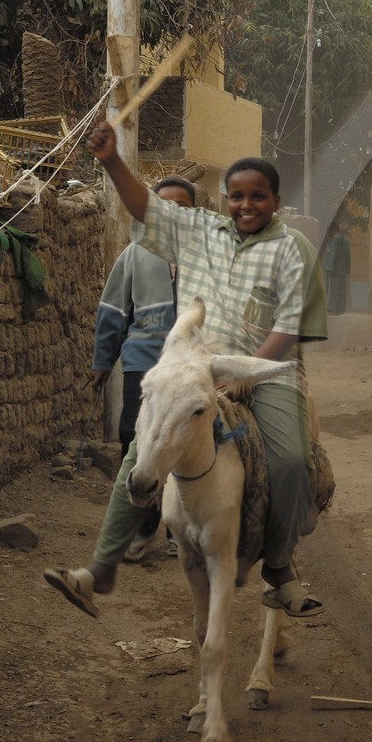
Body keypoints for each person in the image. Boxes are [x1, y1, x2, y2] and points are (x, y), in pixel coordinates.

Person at [44, 122, 328, 619]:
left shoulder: (294, 249)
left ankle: (279, 568)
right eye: (237, 196)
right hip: (194, 368)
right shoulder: (198, 231)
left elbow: (289, 326)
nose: (246, 206)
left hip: (268, 371)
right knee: (143, 450)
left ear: (276, 201)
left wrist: (243, 375)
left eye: (258, 196)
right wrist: (111, 161)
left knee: (289, 461)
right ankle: (101, 569)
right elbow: (145, 208)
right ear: (225, 199)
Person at [90, 175, 199, 560]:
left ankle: (179, 526)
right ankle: (141, 525)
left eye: (181, 206)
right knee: (134, 436)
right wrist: (103, 361)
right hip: (144, 361)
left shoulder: (209, 256)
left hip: (190, 368)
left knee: (187, 442)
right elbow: (113, 311)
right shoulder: (135, 253)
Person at [321, 221, 351, 315]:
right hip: (342, 270)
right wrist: (347, 269)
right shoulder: (346, 242)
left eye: (329, 231)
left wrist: (329, 268)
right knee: (341, 290)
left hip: (333, 270)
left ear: (333, 230)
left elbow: (332, 254)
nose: (328, 234)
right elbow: (348, 257)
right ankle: (339, 309)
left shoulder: (334, 240)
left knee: (331, 290)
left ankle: (331, 309)